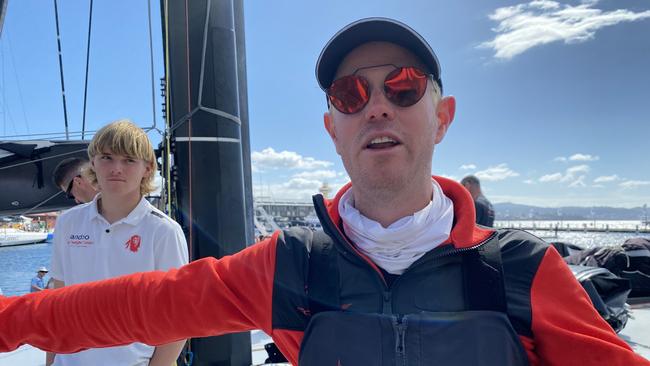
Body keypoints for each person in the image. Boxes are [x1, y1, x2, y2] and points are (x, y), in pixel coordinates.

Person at [0, 18, 648, 366]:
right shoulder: (292, 266)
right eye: (350, 94)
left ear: (442, 116)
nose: (377, 108)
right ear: (333, 129)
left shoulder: (521, 271)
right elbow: (138, 308)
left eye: (402, 86)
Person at [45, 120, 189, 366]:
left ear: (147, 168)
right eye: (107, 158)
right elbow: (57, 301)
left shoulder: (163, 231)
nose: (116, 168)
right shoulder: (68, 223)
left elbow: (178, 314)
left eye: (129, 160)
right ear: (93, 163)